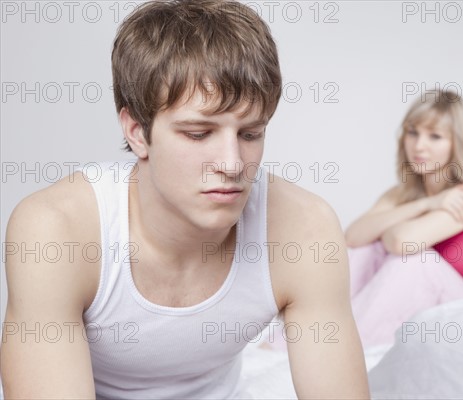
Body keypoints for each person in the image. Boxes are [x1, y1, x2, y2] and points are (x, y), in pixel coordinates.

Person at [0, 1, 369, 398]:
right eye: (198, 133)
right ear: (137, 131)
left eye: (250, 134)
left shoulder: (304, 228)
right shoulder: (56, 230)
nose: (232, 164)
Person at [344, 89, 463, 347]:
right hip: (440, 312)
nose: (419, 146)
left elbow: (403, 243)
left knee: (416, 260)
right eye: (413, 132)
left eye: (434, 136)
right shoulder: (402, 194)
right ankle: (313, 332)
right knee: (366, 249)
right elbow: (353, 237)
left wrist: (391, 228)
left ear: (457, 143)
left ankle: (343, 346)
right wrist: (425, 203)